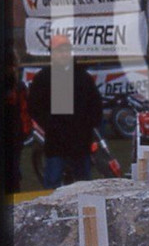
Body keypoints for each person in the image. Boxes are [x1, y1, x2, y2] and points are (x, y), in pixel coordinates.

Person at [26, 34, 104, 187]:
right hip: (56, 143)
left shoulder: (83, 78)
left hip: (80, 143)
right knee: (53, 185)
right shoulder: (43, 78)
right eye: (59, 51)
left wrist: (88, 126)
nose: (63, 54)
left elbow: (96, 105)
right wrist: (49, 125)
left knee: (83, 185)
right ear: (52, 54)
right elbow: (34, 106)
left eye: (66, 50)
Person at [5, 46, 33, 194]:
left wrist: (24, 132)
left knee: (13, 173)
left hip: (14, 138)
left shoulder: (19, 88)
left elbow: (25, 111)